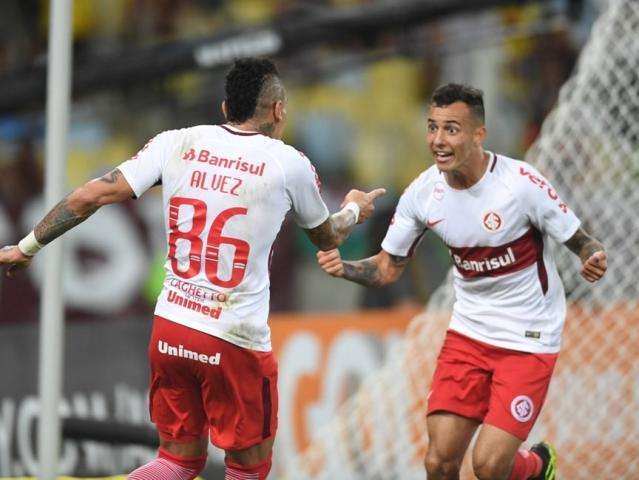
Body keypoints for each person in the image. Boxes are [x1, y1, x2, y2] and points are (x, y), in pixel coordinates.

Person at [0, 58, 385, 480]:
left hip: (171, 328)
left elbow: (91, 195)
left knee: (176, 461)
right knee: (249, 469)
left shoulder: (176, 143)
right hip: (234, 339)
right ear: (278, 110)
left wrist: (27, 246)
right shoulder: (288, 163)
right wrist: (354, 208)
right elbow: (327, 237)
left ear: (225, 108)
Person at [317, 83, 607, 480]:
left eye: (451, 129)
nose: (438, 140)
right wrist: (344, 267)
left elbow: (580, 238)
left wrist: (591, 255)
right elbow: (387, 267)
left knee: (489, 467)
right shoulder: (422, 193)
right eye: (432, 127)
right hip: (468, 334)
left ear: (478, 134)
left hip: (528, 338)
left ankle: (537, 466)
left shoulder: (521, 183)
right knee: (438, 462)